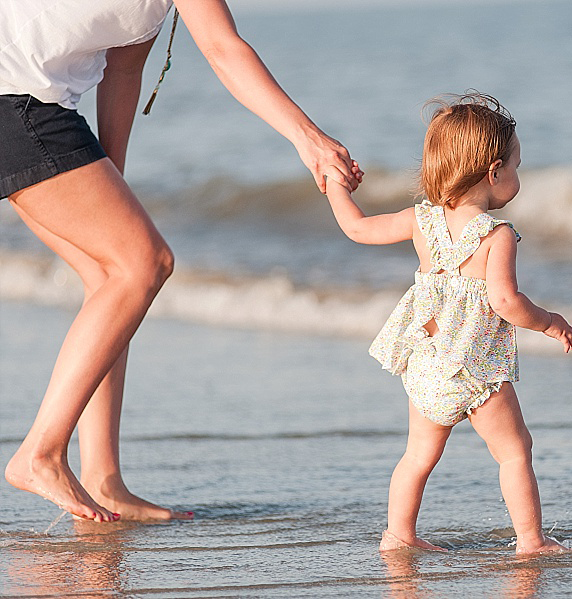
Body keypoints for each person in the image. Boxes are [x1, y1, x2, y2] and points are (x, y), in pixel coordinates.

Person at [1, 0, 362, 523]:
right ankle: (40, 453)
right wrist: (310, 141)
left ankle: (105, 482)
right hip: (16, 103)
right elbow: (223, 49)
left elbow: (123, 71)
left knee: (112, 277)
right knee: (145, 264)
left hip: (36, 106)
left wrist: (109, 176)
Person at [324, 92, 572, 554]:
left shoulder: (421, 221)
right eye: (517, 166)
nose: (517, 176)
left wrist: (335, 186)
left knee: (418, 456)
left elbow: (357, 229)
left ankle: (398, 535)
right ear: (494, 172)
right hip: (476, 369)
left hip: (426, 364)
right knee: (514, 452)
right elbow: (505, 301)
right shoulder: (497, 235)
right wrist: (547, 322)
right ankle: (531, 540)